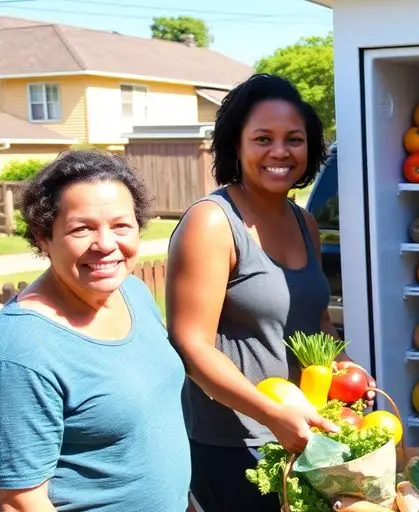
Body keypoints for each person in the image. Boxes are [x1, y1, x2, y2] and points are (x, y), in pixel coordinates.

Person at [166, 73, 373, 512]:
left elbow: (315, 320)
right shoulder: (213, 222)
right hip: (235, 444)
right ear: (236, 145)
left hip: (305, 435)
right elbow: (190, 344)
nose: (280, 152)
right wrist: (270, 414)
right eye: (263, 138)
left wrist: (341, 366)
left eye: (293, 139)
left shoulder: (305, 222)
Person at [0, 150, 189, 511]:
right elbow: (19, 501)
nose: (105, 244)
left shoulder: (131, 292)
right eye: (81, 228)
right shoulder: (22, 350)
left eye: (121, 225)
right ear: (43, 237)